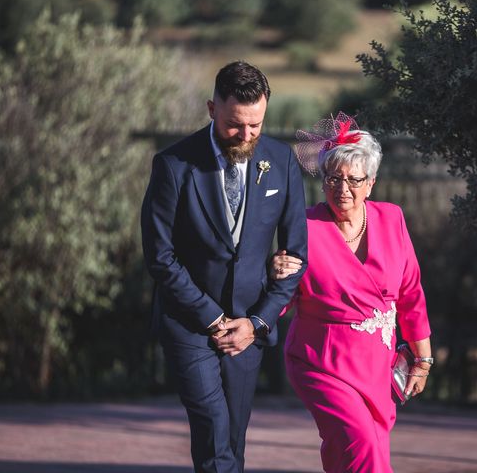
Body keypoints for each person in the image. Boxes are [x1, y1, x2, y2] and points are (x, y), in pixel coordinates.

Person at [141, 61, 308, 473]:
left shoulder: (281, 161)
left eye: (256, 125)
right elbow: (160, 257)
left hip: (249, 328)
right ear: (212, 108)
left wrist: (257, 323)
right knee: (213, 427)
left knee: (232, 439)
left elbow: (296, 258)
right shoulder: (174, 165)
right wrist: (213, 319)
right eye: (236, 124)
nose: (247, 135)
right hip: (189, 323)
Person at [270, 112, 433, 472]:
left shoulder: (392, 218)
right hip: (320, 363)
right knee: (360, 442)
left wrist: (423, 359)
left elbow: (410, 293)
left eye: (354, 180)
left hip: (377, 365)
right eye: (333, 178)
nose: (342, 189)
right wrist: (275, 275)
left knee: (350, 450)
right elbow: (283, 301)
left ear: (371, 182)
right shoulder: (305, 226)